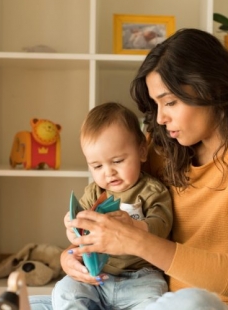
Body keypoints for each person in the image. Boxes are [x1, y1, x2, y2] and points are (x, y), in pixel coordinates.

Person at [28, 28, 228, 310]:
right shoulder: (161, 147)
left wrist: (135, 240)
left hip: (211, 305)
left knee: (193, 302)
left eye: (170, 102)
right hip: (137, 299)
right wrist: (73, 255)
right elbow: (108, 212)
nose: (160, 118)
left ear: (211, 88)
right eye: (156, 104)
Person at [52, 102, 173, 309]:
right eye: (97, 166)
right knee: (64, 291)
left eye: (117, 161)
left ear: (142, 151)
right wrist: (72, 230)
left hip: (142, 278)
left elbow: (162, 224)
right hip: (98, 276)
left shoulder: (152, 191)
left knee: (156, 302)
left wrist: (133, 227)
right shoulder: (94, 193)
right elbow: (80, 232)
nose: (108, 172)